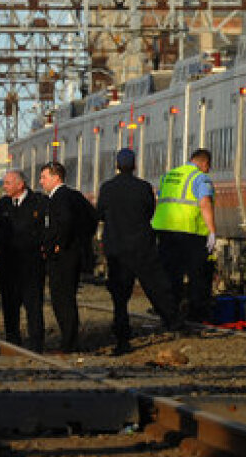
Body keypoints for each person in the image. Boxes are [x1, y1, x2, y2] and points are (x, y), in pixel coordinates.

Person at [97, 149, 182, 355]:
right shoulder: (143, 187)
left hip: (117, 248)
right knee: (156, 286)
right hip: (142, 245)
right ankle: (173, 321)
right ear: (134, 165)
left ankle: (123, 337)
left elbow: (100, 213)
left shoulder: (107, 188)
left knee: (119, 296)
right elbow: (150, 211)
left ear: (117, 165)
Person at [151, 148, 218, 322]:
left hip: (165, 231)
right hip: (190, 233)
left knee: (171, 274)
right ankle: (197, 314)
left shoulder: (169, 176)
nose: (208, 170)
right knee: (198, 275)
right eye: (208, 166)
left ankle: (169, 313)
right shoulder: (200, 178)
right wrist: (212, 231)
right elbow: (205, 203)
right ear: (204, 163)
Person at [0, 169, 47, 352]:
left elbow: (47, 229)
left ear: (21, 185)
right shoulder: (2, 205)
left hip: (31, 264)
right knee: (10, 304)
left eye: (8, 183)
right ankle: (12, 340)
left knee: (33, 305)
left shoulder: (39, 202)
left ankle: (36, 342)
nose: (4, 187)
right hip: (8, 264)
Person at [39, 161, 85, 353]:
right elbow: (91, 217)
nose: (41, 182)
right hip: (71, 254)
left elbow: (64, 221)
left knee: (62, 299)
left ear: (56, 177)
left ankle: (69, 343)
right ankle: (69, 340)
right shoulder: (74, 195)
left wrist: (60, 244)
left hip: (62, 257)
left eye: (44, 177)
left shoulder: (60, 197)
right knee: (66, 298)